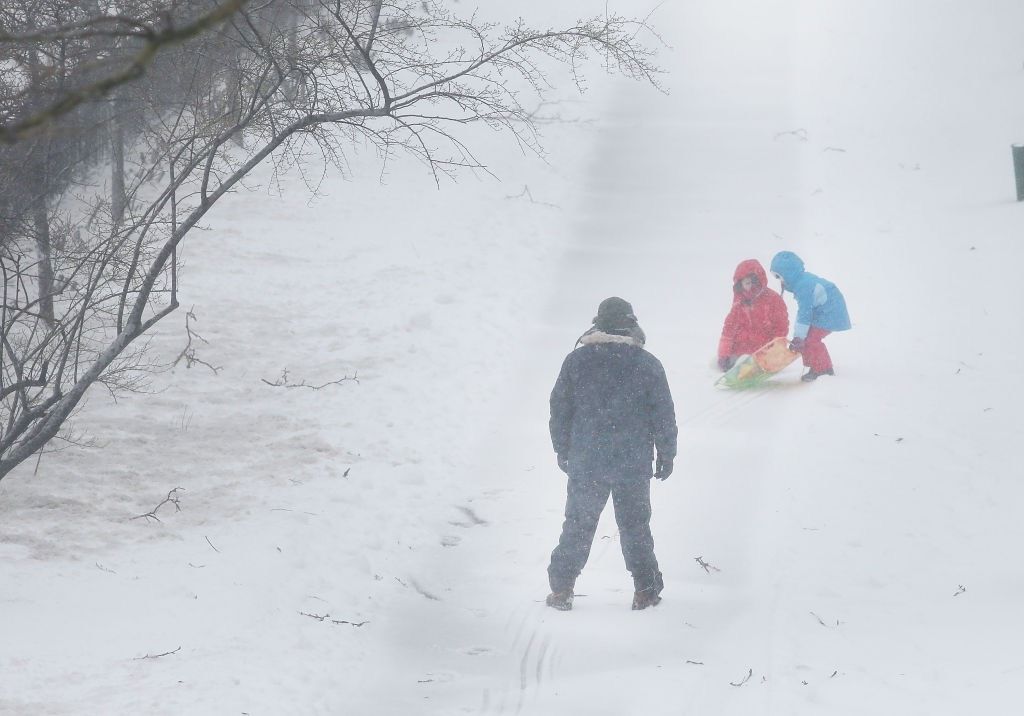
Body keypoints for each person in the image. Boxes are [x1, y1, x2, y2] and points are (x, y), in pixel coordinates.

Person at [546, 297, 678, 611]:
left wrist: (562, 449)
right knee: (635, 526)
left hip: (587, 460)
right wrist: (666, 453)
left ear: (598, 324)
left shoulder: (576, 362)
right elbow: (664, 414)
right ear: (631, 325)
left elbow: (559, 410)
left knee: (578, 523)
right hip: (631, 463)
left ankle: (562, 588)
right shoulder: (647, 364)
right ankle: (645, 591)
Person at [768, 251, 851, 381]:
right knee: (806, 339)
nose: (779, 281)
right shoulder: (801, 281)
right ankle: (815, 366)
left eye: (780, 276)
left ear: (788, 273)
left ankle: (824, 369)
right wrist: (799, 338)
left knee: (811, 339)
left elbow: (804, 314)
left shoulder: (803, 286)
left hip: (831, 311)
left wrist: (798, 338)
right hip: (823, 310)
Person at [717, 259, 789, 371]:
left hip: (764, 350)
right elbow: (729, 329)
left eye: (751, 282)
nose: (749, 287)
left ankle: (756, 364)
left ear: (758, 281)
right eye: (746, 283)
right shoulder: (739, 302)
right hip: (741, 350)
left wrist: (776, 349)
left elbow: (781, 327)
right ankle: (735, 364)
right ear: (740, 284)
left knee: (756, 359)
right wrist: (723, 354)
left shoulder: (773, 300)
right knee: (735, 360)